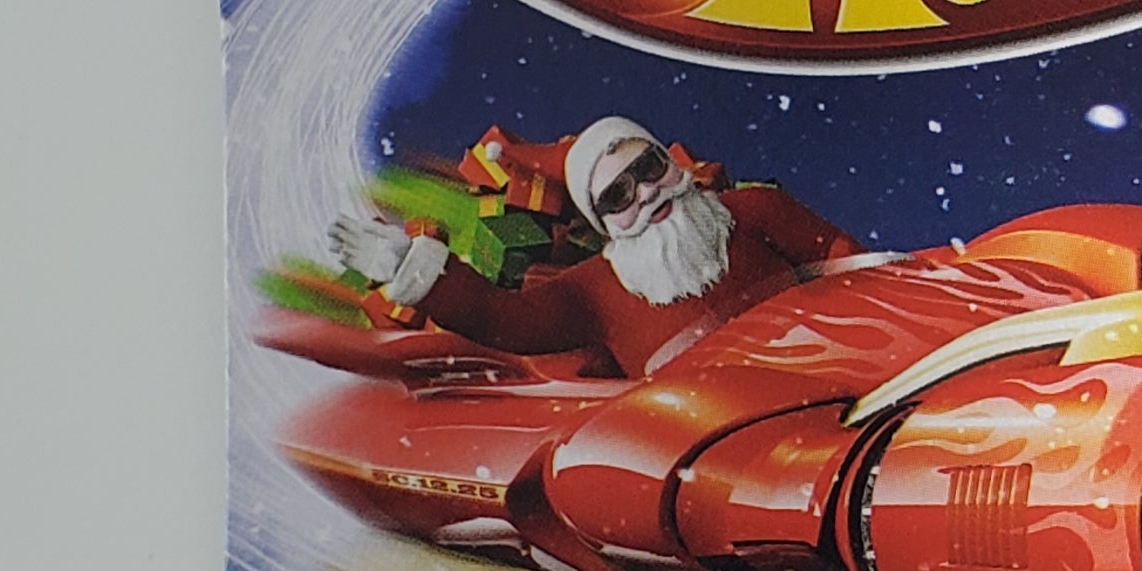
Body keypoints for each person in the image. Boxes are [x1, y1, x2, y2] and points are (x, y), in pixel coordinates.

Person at [326, 117, 853, 376]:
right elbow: (503, 320)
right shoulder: (595, 290)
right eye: (619, 195)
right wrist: (415, 269)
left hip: (829, 373)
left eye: (649, 169)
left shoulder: (753, 210)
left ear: (671, 165)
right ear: (603, 223)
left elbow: (838, 251)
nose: (646, 194)